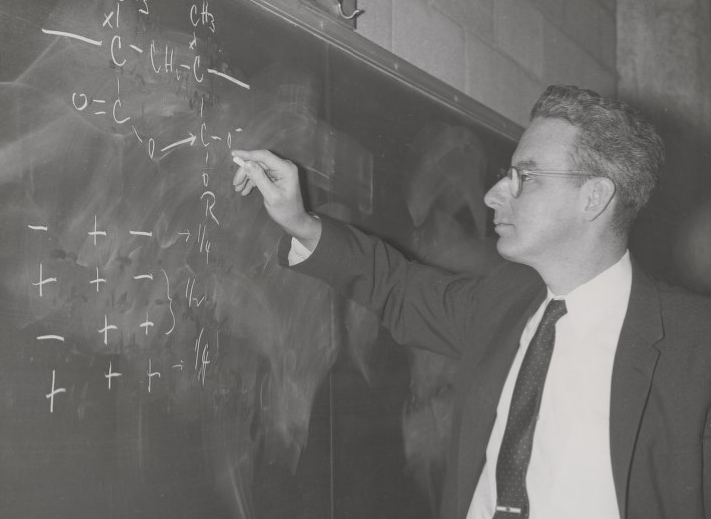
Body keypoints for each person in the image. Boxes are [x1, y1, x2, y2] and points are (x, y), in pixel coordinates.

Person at [231, 85, 711, 519]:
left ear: (594, 198)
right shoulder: (505, 302)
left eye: (526, 177)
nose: (493, 193)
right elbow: (396, 286)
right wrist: (299, 220)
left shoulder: (694, 345)